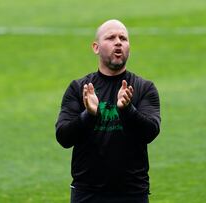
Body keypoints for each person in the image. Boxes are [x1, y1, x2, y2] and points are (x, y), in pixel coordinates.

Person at [55, 19, 161, 203]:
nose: (118, 42)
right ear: (96, 47)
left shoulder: (144, 88)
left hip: (132, 193)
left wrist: (128, 109)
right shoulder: (79, 88)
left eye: (123, 38)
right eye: (111, 38)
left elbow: (150, 132)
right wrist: (88, 114)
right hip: (87, 193)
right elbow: (63, 137)